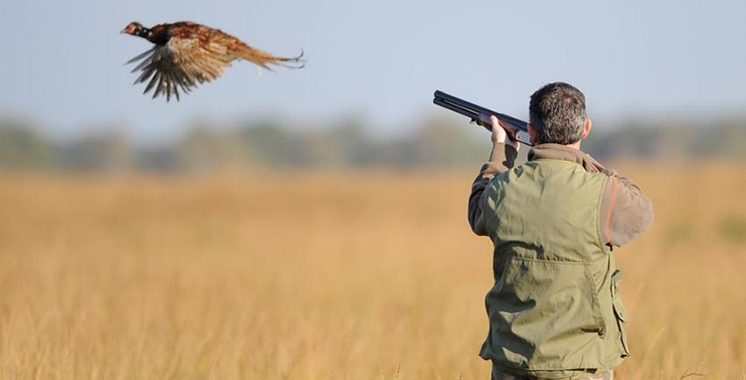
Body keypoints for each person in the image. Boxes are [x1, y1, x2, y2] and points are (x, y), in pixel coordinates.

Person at [468, 82, 654, 380]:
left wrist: (501, 150)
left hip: (513, 364)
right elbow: (642, 212)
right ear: (586, 129)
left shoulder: (502, 188)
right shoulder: (602, 192)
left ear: (533, 130)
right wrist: (588, 164)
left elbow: (478, 209)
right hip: (581, 365)